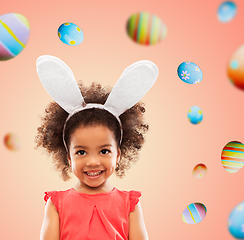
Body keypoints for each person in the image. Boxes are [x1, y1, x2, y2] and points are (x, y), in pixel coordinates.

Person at [35, 55, 158, 240]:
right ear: (69, 157)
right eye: (81, 152)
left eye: (104, 151)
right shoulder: (56, 204)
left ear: (118, 155)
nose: (93, 161)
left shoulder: (130, 204)